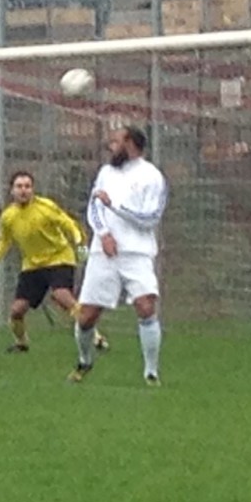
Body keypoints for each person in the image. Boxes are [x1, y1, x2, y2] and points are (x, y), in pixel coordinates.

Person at [72, 126, 168, 385]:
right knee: (87, 316)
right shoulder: (106, 172)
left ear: (130, 143)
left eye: (114, 142)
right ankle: (84, 360)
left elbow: (150, 218)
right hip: (103, 254)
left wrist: (115, 206)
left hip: (137, 253)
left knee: (146, 307)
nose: (109, 146)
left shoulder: (152, 176)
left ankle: (151, 372)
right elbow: (94, 207)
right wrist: (103, 234)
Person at [0, 170, 108, 355]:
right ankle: (21, 343)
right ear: (11, 191)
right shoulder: (8, 216)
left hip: (59, 257)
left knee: (62, 296)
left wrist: (79, 243)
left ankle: (95, 337)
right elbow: (3, 241)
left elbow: (68, 224)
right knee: (16, 311)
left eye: (27, 186)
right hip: (32, 265)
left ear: (33, 189)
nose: (24, 190)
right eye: (19, 186)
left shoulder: (45, 207)